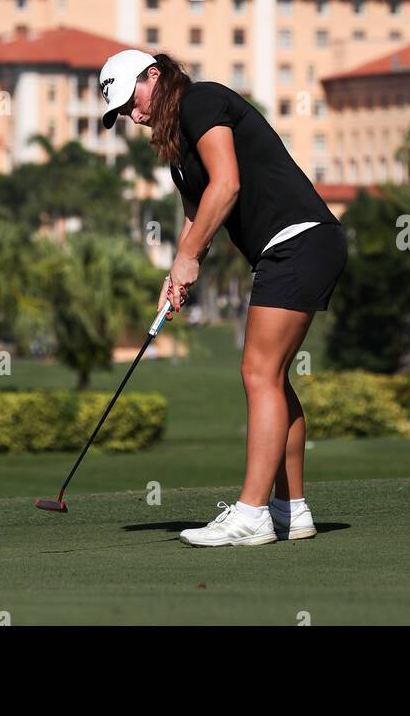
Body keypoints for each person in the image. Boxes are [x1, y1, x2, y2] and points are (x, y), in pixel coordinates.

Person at [99, 48, 347, 548]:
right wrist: (178, 272)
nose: (135, 114)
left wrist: (190, 256)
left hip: (298, 239)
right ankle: (289, 509)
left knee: (257, 373)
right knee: (272, 377)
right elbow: (199, 217)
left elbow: (228, 185)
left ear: (155, 76)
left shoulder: (201, 101)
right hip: (294, 247)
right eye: (125, 111)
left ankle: (252, 514)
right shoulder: (179, 153)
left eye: (133, 100)